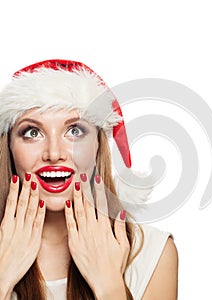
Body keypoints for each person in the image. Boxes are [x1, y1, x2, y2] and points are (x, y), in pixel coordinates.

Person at [0, 60, 178, 300]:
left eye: (74, 131)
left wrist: (110, 287)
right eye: (33, 133)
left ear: (98, 145)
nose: (54, 153)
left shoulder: (152, 253)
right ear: (9, 146)